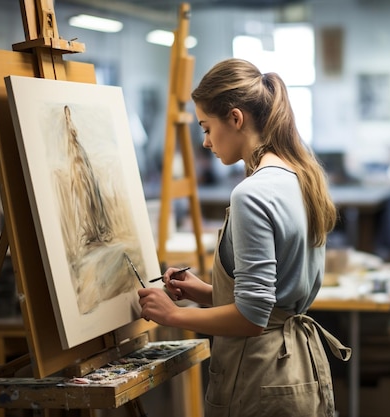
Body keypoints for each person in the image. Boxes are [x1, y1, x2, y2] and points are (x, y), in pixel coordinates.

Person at [138, 58, 351, 417]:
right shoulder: (299, 176)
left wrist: (174, 316)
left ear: (236, 119)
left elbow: (253, 317)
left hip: (261, 374)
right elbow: (273, 301)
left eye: (206, 128)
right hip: (293, 365)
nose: (205, 142)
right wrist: (203, 292)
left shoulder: (252, 193)